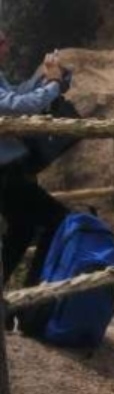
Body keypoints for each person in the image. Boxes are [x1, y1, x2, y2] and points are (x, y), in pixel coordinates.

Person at [0, 33, 71, 287]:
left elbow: (16, 93)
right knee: (59, 220)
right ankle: (33, 297)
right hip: (6, 173)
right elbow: (15, 105)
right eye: (1, 43)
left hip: (12, 170)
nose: (6, 48)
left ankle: (19, 301)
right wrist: (52, 85)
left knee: (22, 232)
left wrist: (43, 75)